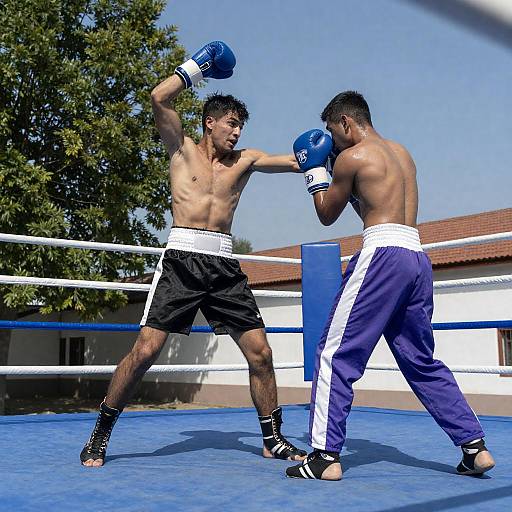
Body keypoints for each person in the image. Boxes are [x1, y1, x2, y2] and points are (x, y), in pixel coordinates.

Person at [80, 41, 306, 467]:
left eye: (241, 126)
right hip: (182, 260)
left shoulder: (245, 161)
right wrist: (197, 68)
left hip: (223, 265)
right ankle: (100, 433)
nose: (237, 133)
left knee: (261, 353)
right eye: (232, 124)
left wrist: (326, 152)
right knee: (146, 351)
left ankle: (272, 438)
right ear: (209, 122)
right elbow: (157, 96)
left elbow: (294, 161)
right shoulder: (181, 148)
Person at [286, 91, 495, 480]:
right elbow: (372, 202)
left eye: (333, 132)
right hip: (416, 256)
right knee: (421, 360)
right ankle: (474, 447)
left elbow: (326, 215)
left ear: (346, 123)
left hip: (381, 255)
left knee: (333, 352)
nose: (333, 141)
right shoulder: (402, 153)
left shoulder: (351, 157)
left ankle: (324, 457)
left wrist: (315, 173)